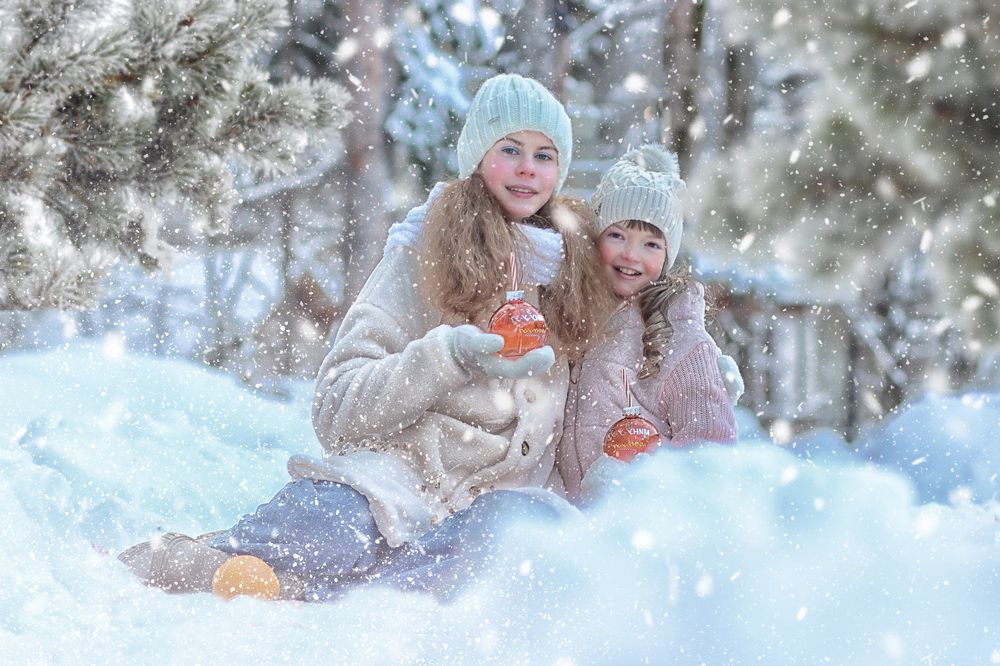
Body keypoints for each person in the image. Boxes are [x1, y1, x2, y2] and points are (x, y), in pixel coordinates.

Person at [118, 73, 615, 600]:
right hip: (398, 485)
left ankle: (329, 599)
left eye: (545, 156)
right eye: (510, 148)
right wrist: (448, 355)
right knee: (329, 527)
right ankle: (204, 562)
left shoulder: (580, 274)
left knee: (517, 537)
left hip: (491, 512)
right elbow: (336, 408)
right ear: (476, 156)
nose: (526, 168)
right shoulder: (423, 252)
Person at [557, 144, 741, 502]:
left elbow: (709, 456)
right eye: (617, 235)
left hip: (641, 534)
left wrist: (647, 502)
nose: (631, 254)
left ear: (668, 255)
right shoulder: (577, 318)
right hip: (573, 535)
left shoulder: (681, 337)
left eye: (651, 244)